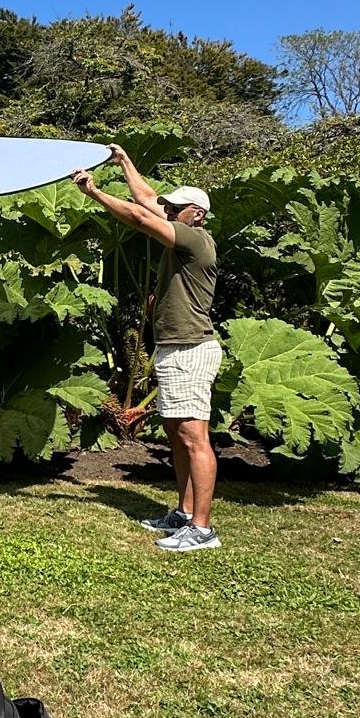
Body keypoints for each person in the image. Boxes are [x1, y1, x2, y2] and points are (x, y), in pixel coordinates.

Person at [71, 145, 222, 552]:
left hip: (191, 347)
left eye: (175, 209)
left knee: (194, 436)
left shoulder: (194, 240)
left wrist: (96, 194)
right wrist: (125, 162)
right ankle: (185, 514)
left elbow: (140, 215)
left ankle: (203, 530)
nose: (167, 212)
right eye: (169, 208)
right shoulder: (182, 224)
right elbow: (147, 199)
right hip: (175, 347)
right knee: (177, 434)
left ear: (196, 214)